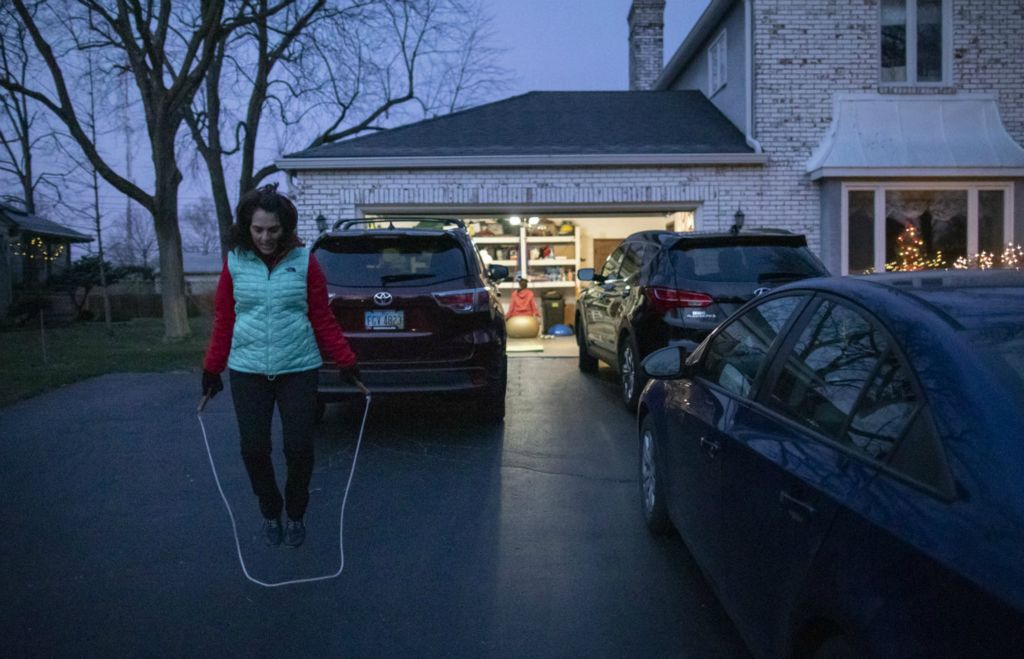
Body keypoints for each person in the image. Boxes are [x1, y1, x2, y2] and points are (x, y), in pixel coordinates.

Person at [201, 183, 360, 549]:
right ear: (247, 227)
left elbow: (322, 317)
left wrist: (346, 360)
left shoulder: (305, 262)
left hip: (298, 369)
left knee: (299, 449)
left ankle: (297, 511)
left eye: (273, 230)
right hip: (248, 370)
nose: (266, 237)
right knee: (254, 449)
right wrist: (212, 368)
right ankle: (270, 509)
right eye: (258, 230)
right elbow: (224, 318)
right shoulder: (236, 262)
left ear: (284, 227)